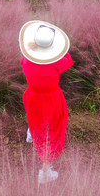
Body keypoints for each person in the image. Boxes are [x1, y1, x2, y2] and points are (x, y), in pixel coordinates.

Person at [19, 20, 74, 184]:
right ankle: (45, 172)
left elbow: (30, 58)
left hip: (33, 96)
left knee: (36, 117)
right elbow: (68, 60)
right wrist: (59, 49)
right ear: (51, 46)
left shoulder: (26, 61)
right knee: (52, 130)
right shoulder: (57, 62)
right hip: (51, 98)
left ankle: (32, 131)